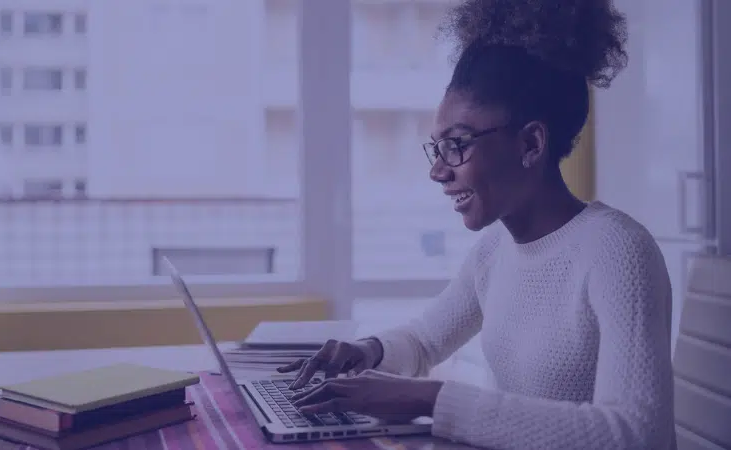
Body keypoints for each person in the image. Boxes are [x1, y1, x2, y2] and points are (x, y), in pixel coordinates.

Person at [278, 0, 678, 449]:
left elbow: (636, 434)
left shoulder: (617, 251)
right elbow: (426, 340)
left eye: (458, 144)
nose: (438, 171)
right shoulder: (495, 252)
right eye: (437, 148)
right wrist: (368, 351)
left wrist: (431, 400)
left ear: (531, 143)